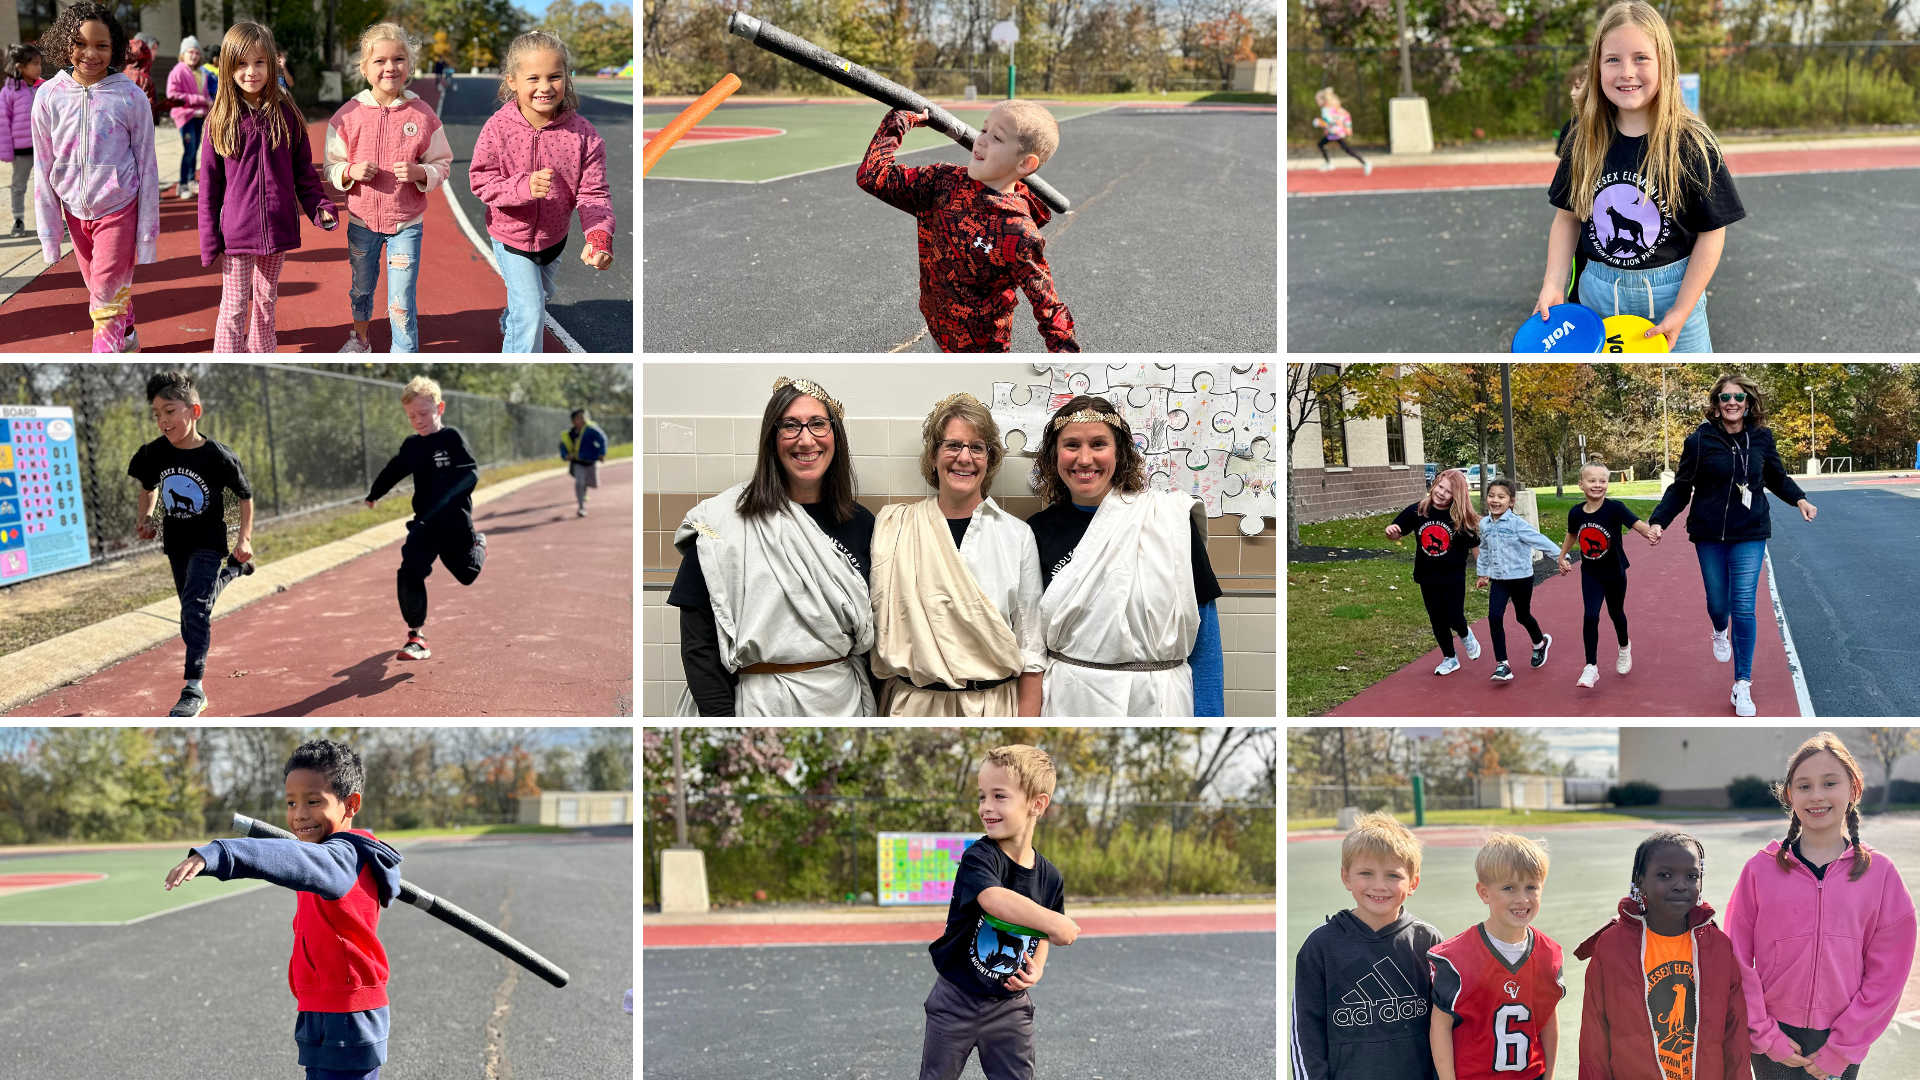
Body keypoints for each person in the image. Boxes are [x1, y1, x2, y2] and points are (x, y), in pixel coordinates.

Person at [164, 739, 404, 1080]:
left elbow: (289, 859)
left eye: (313, 801)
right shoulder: (325, 854)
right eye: (291, 802)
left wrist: (220, 854)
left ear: (351, 804)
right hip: (323, 1007)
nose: (299, 814)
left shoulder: (340, 858)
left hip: (347, 1014)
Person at [1536, 0, 1745, 352]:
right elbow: (1568, 219)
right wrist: (1553, 284)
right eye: (1613, 59)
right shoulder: (1582, 140)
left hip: (1674, 297)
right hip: (1597, 299)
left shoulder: (1692, 143)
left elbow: (1712, 232)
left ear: (1665, 63)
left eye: (1641, 58)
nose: (1626, 72)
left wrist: (1682, 310)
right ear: (1597, 67)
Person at [669, 376, 876, 717]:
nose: (806, 439)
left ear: (835, 435)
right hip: (757, 708)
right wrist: (726, 729)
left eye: (818, 425)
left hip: (844, 706)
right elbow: (699, 646)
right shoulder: (721, 521)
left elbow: (873, 641)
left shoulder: (861, 523)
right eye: (790, 426)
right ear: (771, 437)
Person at [1725, 733, 1916, 1080]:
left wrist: (1843, 1047)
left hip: (1842, 1038)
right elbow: (1735, 957)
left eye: (1829, 783)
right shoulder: (1759, 869)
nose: (1816, 796)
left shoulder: (1880, 873)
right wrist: (1765, 1035)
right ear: (1789, 795)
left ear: (1853, 789)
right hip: (1773, 1038)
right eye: (1804, 786)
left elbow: (1889, 972)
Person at [1025, 395, 1223, 716]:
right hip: (1069, 701)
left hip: (1159, 702)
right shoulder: (1035, 531)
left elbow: (1204, 632)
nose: (1085, 459)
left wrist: (1211, 718)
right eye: (1072, 444)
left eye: (1099, 444)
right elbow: (1029, 643)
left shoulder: (1169, 519)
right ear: (1054, 454)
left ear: (1119, 452)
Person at [1646, 373, 1816, 717]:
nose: (1732, 402)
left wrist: (1799, 499)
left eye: (1739, 397)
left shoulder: (1762, 438)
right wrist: (1659, 520)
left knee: (1743, 606)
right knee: (1718, 603)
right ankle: (1718, 630)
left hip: (1750, 532)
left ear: (1748, 402)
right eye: (1725, 397)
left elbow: (1777, 477)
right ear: (1717, 403)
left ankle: (1742, 684)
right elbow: (1681, 486)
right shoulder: (1700, 440)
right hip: (1708, 534)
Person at [869, 393, 1043, 717]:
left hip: (994, 708)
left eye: (977, 447)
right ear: (934, 455)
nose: (964, 458)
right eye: (952, 445)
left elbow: (1032, 648)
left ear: (989, 458)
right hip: (913, 707)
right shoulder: (895, 527)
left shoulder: (1017, 535)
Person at [856, 99, 1079, 352]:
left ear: (1025, 164)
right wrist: (900, 120)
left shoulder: (1018, 233)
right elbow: (873, 176)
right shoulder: (943, 182)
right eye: (983, 130)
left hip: (979, 350)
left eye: (997, 137)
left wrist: (1067, 364)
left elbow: (1047, 306)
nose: (981, 140)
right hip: (937, 326)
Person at [922, 745, 1078, 1080]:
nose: (986, 807)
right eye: (982, 796)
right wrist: (1055, 921)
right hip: (955, 999)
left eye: (999, 796)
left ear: (1037, 804)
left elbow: (1042, 936)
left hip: (1009, 1006)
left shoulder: (1050, 878)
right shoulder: (980, 857)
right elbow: (994, 899)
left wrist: (1037, 969)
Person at [469, 30, 615, 352]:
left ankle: (513, 319)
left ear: (567, 77)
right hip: (511, 236)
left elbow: (594, 194)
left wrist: (599, 236)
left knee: (536, 300)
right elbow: (480, 180)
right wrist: (521, 187)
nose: (545, 87)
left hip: (554, 239)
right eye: (533, 77)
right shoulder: (498, 128)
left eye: (555, 76)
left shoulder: (584, 134)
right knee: (533, 312)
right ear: (512, 80)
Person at [198, 22, 337, 352]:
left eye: (260, 62)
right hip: (236, 234)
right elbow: (209, 188)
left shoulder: (287, 114)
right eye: (242, 64)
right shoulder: (218, 121)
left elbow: (304, 174)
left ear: (273, 64)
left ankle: (261, 353)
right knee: (232, 310)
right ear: (228, 67)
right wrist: (208, 237)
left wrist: (320, 208)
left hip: (277, 229)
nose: (251, 72)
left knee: (265, 302)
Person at [31, 1, 159, 352]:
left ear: (115, 48)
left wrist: (147, 233)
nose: (91, 53)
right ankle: (128, 330)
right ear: (64, 43)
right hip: (74, 209)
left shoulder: (131, 97)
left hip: (119, 207)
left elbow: (147, 164)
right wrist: (50, 233)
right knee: (102, 287)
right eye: (80, 43)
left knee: (103, 295)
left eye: (101, 45)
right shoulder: (47, 97)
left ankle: (105, 354)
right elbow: (42, 167)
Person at [127, 370, 255, 718]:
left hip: (209, 541)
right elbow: (148, 489)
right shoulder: (154, 454)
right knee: (193, 609)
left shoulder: (217, 455)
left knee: (194, 611)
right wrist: (146, 519)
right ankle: (234, 571)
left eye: (169, 411)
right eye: (156, 414)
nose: (162, 421)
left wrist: (244, 538)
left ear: (193, 411)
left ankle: (193, 689)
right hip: (177, 542)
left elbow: (245, 496)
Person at [1574, 830, 1749, 1080]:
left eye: (1691, 876)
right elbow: (1594, 1038)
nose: (1680, 885)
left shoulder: (1718, 946)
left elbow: (1736, 1035)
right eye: (1664, 875)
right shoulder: (1611, 945)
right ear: (1641, 880)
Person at [325, 23, 452, 354]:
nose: (389, 67)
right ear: (365, 67)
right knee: (361, 290)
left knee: (401, 298)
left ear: (408, 65)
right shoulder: (347, 116)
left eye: (398, 59)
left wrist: (420, 172)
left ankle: (404, 351)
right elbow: (331, 166)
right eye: (379, 61)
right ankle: (360, 340)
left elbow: (442, 164)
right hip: (361, 222)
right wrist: (350, 170)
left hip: (406, 224)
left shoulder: (423, 115)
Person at [1291, 812, 1442, 1080]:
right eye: (1366, 873)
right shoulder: (1321, 946)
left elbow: (1444, 1025)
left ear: (1413, 882)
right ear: (1346, 877)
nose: (1379, 885)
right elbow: (1306, 1031)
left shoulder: (1428, 942)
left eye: (1393, 875)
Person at [363, 376, 486, 662]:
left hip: (455, 523)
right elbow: (396, 468)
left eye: (423, 413)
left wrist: (443, 495)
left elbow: (470, 472)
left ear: (439, 408)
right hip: (425, 523)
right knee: (410, 569)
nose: (417, 421)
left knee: (467, 574)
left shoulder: (451, 438)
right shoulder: (412, 445)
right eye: (411, 416)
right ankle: (416, 637)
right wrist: (375, 492)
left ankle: (479, 544)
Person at [1427, 834, 1563, 1080]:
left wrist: (1549, 1075)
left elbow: (1548, 1018)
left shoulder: (1548, 953)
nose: (1522, 898)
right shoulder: (1456, 957)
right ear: (1484, 892)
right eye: (1509, 887)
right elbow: (1440, 1027)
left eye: (1531, 887)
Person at [1554, 460, 1658, 689]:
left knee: (1615, 613)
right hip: (1590, 573)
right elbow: (1573, 534)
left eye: (1602, 481)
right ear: (1581, 484)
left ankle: (1624, 646)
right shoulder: (1576, 512)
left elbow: (1637, 524)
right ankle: (1591, 666)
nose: (1597, 485)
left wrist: (1650, 533)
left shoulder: (1615, 508)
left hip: (1614, 572)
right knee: (1591, 616)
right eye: (1592, 481)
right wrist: (1562, 556)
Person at [1385, 468, 1482, 676]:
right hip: (1427, 574)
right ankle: (1450, 658)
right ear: (1434, 484)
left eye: (1448, 492)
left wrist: (1483, 571)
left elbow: (1475, 546)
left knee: (1454, 616)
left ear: (1456, 496)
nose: (1441, 493)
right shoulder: (1418, 510)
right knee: (1437, 618)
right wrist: (1391, 532)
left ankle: (1465, 634)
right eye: (1440, 487)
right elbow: (1397, 532)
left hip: (1453, 575)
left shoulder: (1459, 517)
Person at [1472, 479, 1560, 682]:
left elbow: (1540, 540)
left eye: (1501, 497)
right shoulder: (1484, 524)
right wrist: (1482, 573)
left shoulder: (1517, 524)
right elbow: (1484, 550)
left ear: (1511, 501)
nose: (1495, 500)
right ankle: (1502, 664)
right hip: (1500, 580)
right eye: (1491, 495)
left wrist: (1560, 558)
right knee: (1494, 617)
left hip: (1521, 578)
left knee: (1522, 616)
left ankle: (1539, 643)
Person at [0, 43, 42, 237]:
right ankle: (18, 220)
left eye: (40, 63)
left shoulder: (44, 88)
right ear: (20, 67)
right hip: (21, 150)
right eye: (34, 63)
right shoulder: (8, 92)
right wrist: (7, 152)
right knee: (19, 186)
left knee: (51, 185)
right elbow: (3, 123)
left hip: (44, 148)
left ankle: (55, 220)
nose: (39, 67)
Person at [166, 35, 211, 200]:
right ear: (183, 54)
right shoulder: (177, 71)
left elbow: (205, 94)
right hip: (185, 116)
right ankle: (183, 183)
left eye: (197, 52)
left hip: (200, 116)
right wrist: (200, 100)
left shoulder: (202, 73)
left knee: (196, 150)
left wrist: (210, 103)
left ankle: (192, 180)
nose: (194, 55)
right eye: (190, 51)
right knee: (189, 150)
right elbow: (173, 95)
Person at [1311, 87, 1370, 175]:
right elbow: (1328, 123)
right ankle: (1329, 163)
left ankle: (1365, 163)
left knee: (1345, 149)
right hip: (1333, 132)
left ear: (1323, 100)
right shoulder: (1326, 109)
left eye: (1318, 100)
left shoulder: (1331, 109)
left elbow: (1339, 118)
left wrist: (1348, 127)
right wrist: (1325, 127)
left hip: (1337, 132)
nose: (1317, 103)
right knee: (1323, 145)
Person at [559, 407, 606, 516]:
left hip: (591, 462)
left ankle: (585, 486)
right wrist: (566, 456)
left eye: (584, 417)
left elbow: (602, 439)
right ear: (573, 421)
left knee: (594, 485)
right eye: (579, 418)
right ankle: (581, 507)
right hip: (578, 462)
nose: (582, 420)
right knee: (579, 483)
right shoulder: (569, 434)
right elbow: (563, 447)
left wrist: (601, 453)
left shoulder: (591, 430)